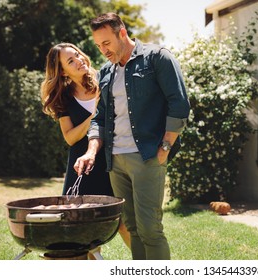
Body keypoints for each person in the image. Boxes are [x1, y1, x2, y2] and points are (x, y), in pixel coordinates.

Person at [74, 12, 190, 260]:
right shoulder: (106, 71)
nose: (103, 50)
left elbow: (179, 104)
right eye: (98, 45)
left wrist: (165, 147)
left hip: (147, 156)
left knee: (150, 228)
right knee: (133, 228)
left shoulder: (157, 58)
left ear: (122, 33)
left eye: (106, 43)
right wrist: (91, 151)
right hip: (115, 161)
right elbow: (100, 117)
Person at [40, 43, 131, 250]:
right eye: (71, 61)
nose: (79, 60)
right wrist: (94, 116)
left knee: (124, 223)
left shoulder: (105, 79)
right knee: (85, 229)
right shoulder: (63, 98)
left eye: (78, 55)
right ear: (62, 71)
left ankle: (147, 267)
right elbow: (71, 138)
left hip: (113, 160)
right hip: (83, 166)